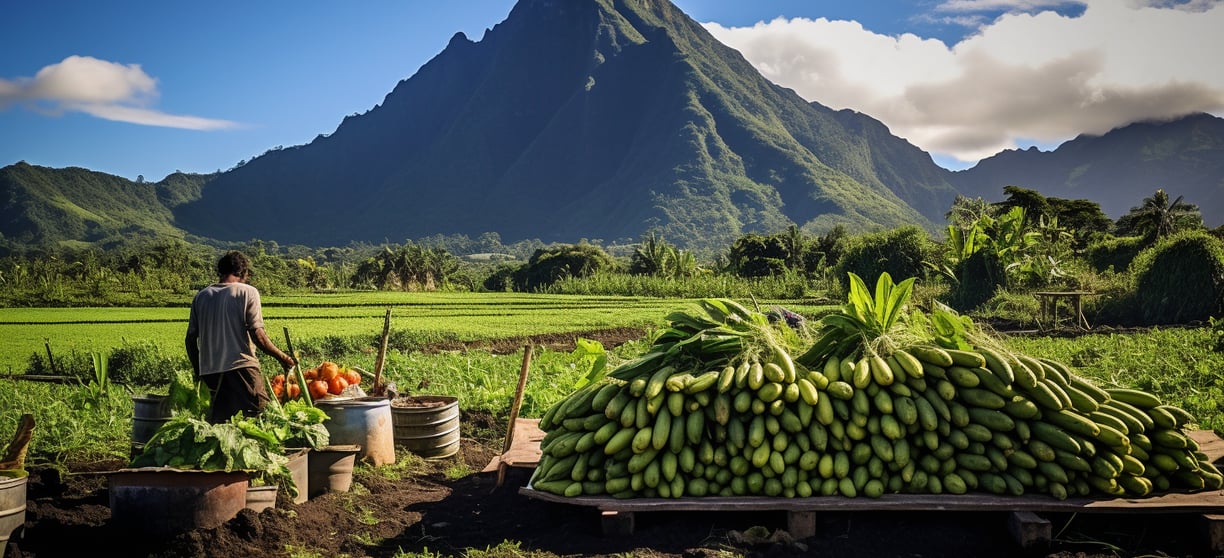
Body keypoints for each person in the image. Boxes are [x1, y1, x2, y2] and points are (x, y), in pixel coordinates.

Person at [186, 250, 295, 423]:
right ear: (243, 272)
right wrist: (283, 358)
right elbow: (258, 335)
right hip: (241, 368)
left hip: (212, 373)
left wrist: (200, 371)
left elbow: (190, 340)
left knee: (222, 427)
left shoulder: (201, 296)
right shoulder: (247, 292)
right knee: (262, 418)